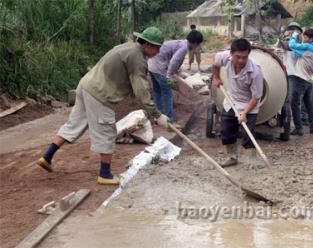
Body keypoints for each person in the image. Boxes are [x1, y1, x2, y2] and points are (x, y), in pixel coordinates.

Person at [36, 27, 169, 185]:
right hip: (100, 94)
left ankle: (47, 157)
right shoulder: (137, 58)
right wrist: (157, 114)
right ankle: (104, 174)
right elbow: (141, 91)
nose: (158, 52)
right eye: (157, 47)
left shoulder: (126, 47)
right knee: (107, 132)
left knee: (74, 125)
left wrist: (152, 113)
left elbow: (134, 87)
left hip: (86, 85)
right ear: (148, 44)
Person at [212, 39, 264, 169]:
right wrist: (216, 77)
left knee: (248, 133)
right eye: (238, 57)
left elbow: (256, 97)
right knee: (226, 129)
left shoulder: (255, 71)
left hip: (249, 104)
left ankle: (252, 159)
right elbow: (215, 64)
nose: (241, 60)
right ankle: (232, 157)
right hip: (231, 100)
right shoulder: (224, 57)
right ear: (231, 53)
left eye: (244, 57)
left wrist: (244, 113)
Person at [148, 31, 203, 123]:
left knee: (157, 92)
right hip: (159, 67)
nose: (197, 47)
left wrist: (177, 70)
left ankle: (157, 117)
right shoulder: (183, 48)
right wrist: (169, 76)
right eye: (198, 45)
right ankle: (169, 119)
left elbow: (174, 59)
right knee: (167, 93)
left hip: (152, 65)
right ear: (195, 43)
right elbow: (174, 61)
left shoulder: (181, 43)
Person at [288, 29, 313, 135]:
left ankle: (298, 128)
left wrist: (294, 35)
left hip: (300, 79)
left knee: (295, 103)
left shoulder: (307, 47)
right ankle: (312, 128)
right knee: (309, 104)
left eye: (305, 37)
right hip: (308, 80)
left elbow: (291, 45)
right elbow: (298, 54)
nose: (304, 39)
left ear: (310, 39)